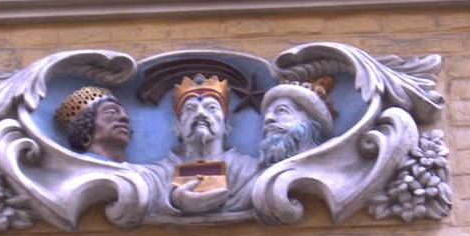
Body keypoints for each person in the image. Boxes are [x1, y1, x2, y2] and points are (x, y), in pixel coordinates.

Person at [145, 74, 258, 215]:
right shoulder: (158, 175)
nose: (200, 113)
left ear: (226, 126)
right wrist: (173, 199)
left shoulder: (249, 171)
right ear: (177, 128)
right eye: (190, 109)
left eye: (211, 107)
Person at [259, 78, 335, 166]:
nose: (268, 118)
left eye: (282, 110)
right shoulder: (251, 175)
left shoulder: (330, 166)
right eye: (267, 114)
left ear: (310, 120)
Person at [56, 86, 131, 162]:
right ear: (87, 130)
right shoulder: (79, 169)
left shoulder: (139, 171)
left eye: (125, 113)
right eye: (111, 112)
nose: (124, 117)